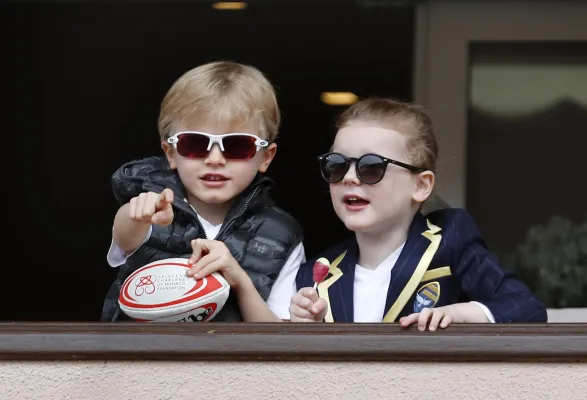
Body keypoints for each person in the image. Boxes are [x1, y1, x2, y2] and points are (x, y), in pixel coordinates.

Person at [277, 97, 547, 329]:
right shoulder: (316, 272)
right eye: (337, 165)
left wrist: (460, 314)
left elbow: (527, 308)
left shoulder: (451, 243)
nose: (349, 178)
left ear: (421, 186)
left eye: (371, 167)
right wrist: (307, 326)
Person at [101, 61, 304, 322]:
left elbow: (279, 337)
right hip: (139, 350)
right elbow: (126, 237)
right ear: (170, 153)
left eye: (237, 145)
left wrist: (240, 282)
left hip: (235, 351)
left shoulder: (281, 234)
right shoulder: (153, 206)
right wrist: (138, 214)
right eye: (195, 144)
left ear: (265, 157)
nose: (215, 159)